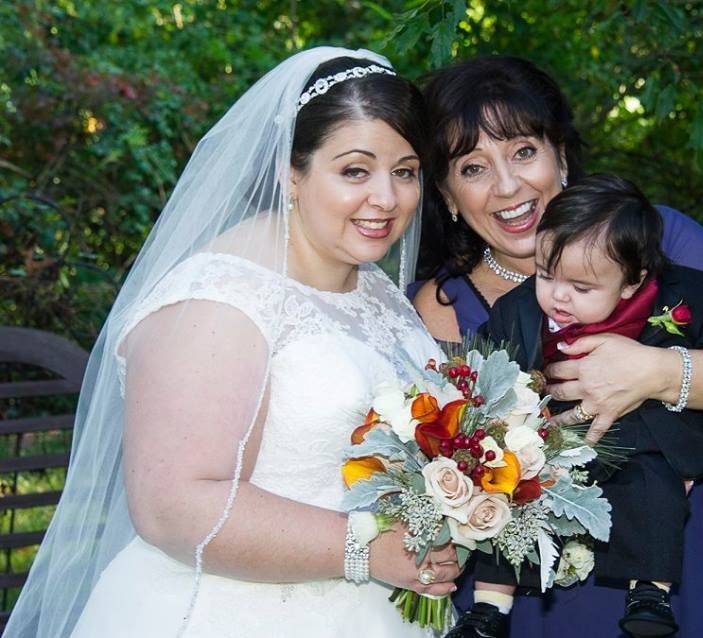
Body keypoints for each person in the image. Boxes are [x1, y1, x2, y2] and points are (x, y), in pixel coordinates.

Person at [4, 47, 463, 638]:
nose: (387, 198)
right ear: (289, 174)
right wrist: (367, 548)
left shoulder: (376, 290)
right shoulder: (216, 299)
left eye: (404, 171)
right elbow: (173, 505)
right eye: (354, 170)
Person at [409, 56, 703, 638]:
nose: (508, 186)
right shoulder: (438, 306)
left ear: (560, 155)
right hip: (533, 601)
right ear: (447, 194)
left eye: (523, 152)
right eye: (473, 167)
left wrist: (658, 371)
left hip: (689, 568)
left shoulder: (662, 240)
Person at [450, 174, 703, 638]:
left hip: (643, 438)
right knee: (505, 491)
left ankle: (650, 592)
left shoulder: (677, 293)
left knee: (653, 486)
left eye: (581, 287)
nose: (558, 296)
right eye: (545, 274)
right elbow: (493, 362)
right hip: (553, 441)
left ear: (631, 281)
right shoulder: (520, 308)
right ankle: (489, 608)